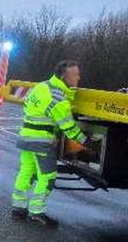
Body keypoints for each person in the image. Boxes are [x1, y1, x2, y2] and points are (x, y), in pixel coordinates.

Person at [10, 60, 92, 228]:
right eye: (75, 74)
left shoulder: (41, 86)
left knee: (26, 173)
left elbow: (28, 106)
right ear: (64, 76)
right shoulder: (58, 97)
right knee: (47, 178)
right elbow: (68, 126)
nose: (79, 77)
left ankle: (18, 209)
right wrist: (86, 142)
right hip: (41, 141)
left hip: (26, 137)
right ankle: (36, 213)